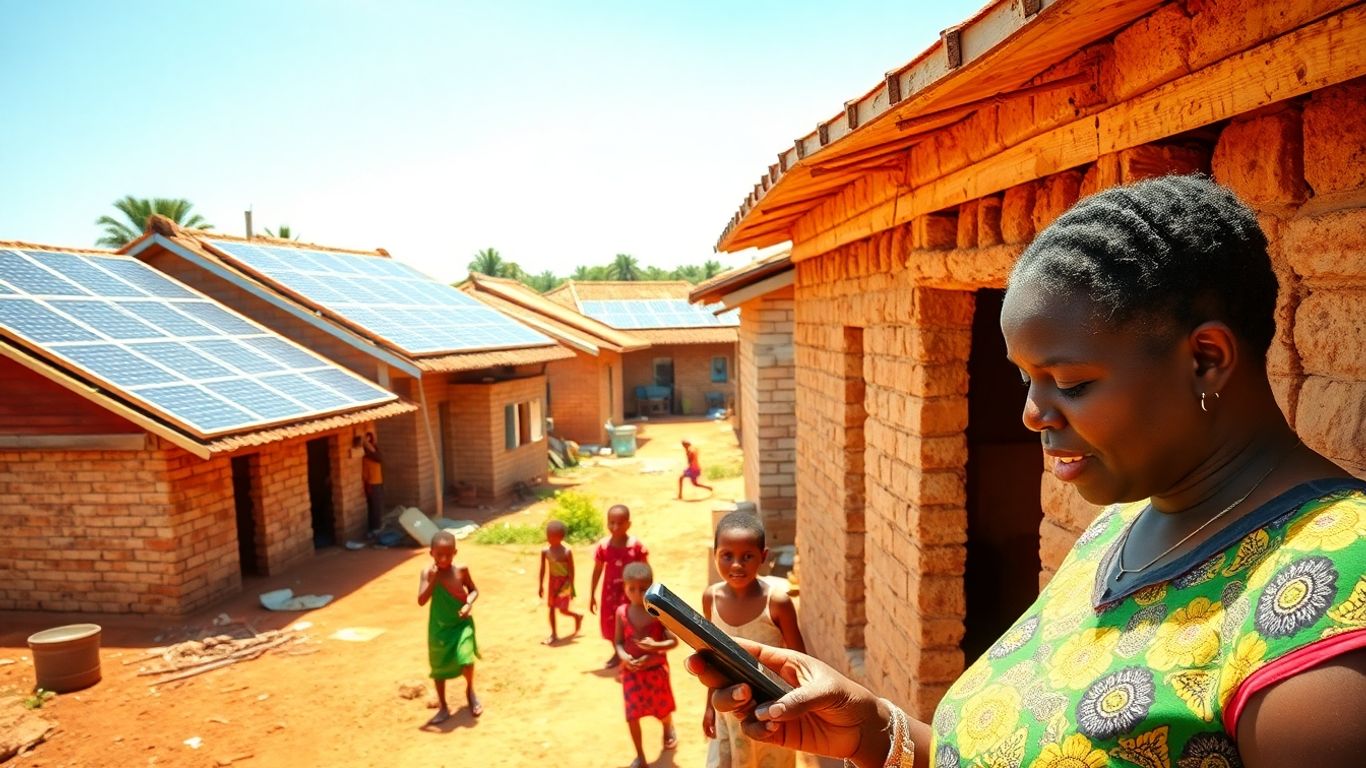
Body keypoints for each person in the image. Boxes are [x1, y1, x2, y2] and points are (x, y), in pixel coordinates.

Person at [686, 176, 1366, 768]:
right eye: (1025, 378)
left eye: (1068, 381)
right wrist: (874, 731)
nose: (1033, 413)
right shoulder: (1125, 526)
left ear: (1207, 359)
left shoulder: (1327, 603)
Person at [703, 511, 806, 768]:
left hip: (770, 711)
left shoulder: (777, 602)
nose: (737, 565)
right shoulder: (710, 599)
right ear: (715, 554)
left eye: (747, 556)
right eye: (727, 556)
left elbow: (801, 662)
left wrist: (799, 709)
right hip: (728, 709)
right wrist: (709, 707)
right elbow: (710, 660)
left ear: (763, 556)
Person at [616, 561, 680, 768]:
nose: (636, 593)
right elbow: (618, 643)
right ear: (624, 587)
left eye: (642, 589)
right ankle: (640, 757)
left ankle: (667, 728)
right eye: (631, 588)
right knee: (632, 717)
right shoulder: (621, 612)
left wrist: (655, 646)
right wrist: (624, 656)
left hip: (655, 673)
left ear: (651, 586)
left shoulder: (657, 611)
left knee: (661, 711)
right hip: (632, 674)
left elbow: (673, 641)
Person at [417, 530, 481, 724]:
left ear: (455, 552)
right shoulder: (427, 572)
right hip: (439, 628)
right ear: (431, 553)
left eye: (448, 554)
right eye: (439, 555)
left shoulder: (461, 570)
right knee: (438, 667)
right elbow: (421, 600)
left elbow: (474, 590)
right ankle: (443, 706)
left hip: (461, 624)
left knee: (466, 658)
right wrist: (433, 580)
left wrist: (468, 603)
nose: (444, 559)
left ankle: (470, 691)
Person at [590, 504, 650, 668]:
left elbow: (646, 571)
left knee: (631, 623)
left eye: (620, 523)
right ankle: (617, 653)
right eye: (611, 522)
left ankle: (633, 653)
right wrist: (592, 594)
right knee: (610, 625)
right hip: (609, 594)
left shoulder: (636, 547)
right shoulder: (603, 547)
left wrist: (646, 596)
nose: (615, 527)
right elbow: (597, 570)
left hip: (631, 595)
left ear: (628, 524)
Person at [539, 519, 584, 645]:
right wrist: (541, 586)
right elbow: (543, 569)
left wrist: (571, 587)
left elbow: (571, 571)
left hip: (565, 583)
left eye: (551, 537)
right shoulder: (545, 551)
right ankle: (554, 634)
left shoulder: (567, 552)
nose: (548, 538)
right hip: (553, 582)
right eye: (547, 535)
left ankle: (577, 616)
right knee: (552, 607)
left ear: (560, 538)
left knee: (563, 610)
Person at [361, 431, 384, 534]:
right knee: (373, 507)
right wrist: (365, 443)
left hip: (377, 483)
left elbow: (378, 455)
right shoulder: (366, 457)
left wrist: (368, 442)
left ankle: (376, 527)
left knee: (377, 506)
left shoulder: (375, 455)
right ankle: (374, 528)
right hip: (371, 484)